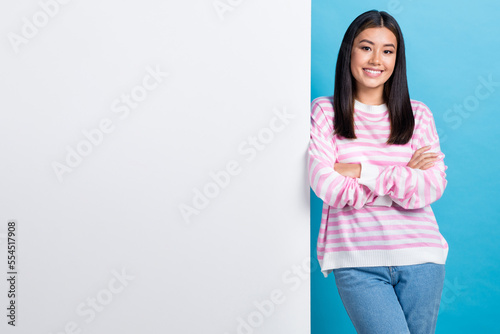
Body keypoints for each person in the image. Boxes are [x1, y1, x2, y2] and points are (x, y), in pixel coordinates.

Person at [308, 10, 449, 334]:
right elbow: (328, 186)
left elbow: (430, 188)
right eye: (366, 47)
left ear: (397, 59)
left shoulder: (419, 115)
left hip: (422, 256)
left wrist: (360, 171)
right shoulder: (325, 112)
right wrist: (401, 174)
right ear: (349, 51)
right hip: (358, 261)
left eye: (387, 51)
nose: (376, 60)